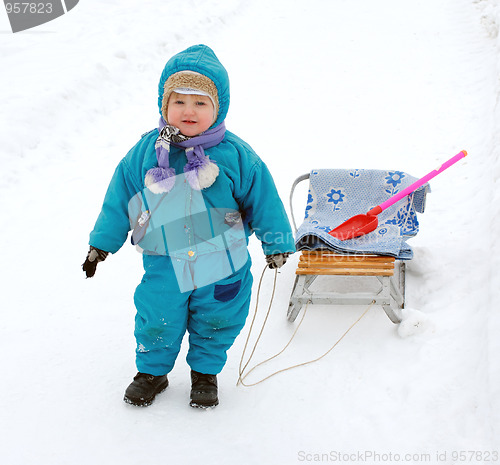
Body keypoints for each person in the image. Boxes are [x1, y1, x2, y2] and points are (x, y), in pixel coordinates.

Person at [82, 44, 295, 408]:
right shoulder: (146, 151)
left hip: (222, 259)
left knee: (217, 317)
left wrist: (276, 242)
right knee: (157, 313)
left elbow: (265, 200)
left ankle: (205, 373)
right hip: (163, 258)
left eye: (200, 103)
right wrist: (102, 243)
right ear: (164, 105)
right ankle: (152, 371)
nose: (189, 111)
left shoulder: (236, 155)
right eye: (179, 101)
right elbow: (119, 197)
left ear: (218, 108)